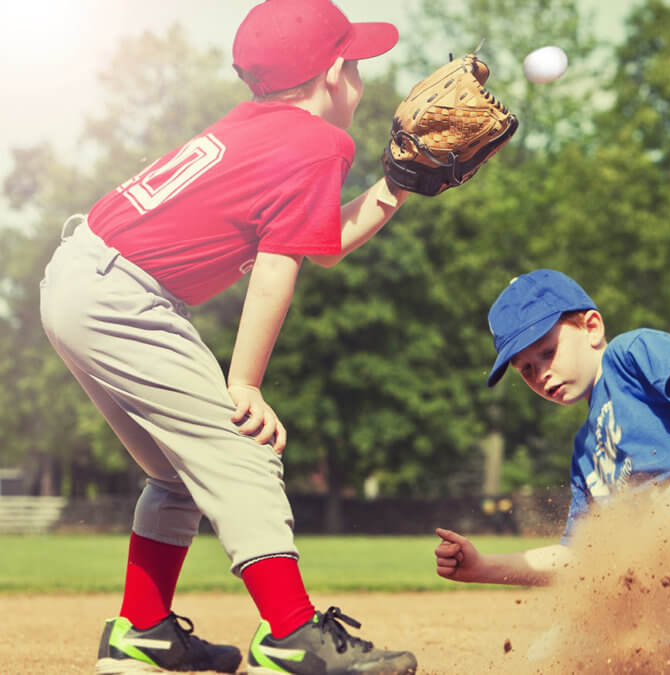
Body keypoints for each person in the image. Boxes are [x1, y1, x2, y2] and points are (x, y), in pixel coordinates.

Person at [39, 1, 418, 673]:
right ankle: (290, 633)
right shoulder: (320, 142)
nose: (359, 79)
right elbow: (280, 265)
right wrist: (243, 382)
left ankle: (144, 630)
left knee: (174, 473)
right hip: (125, 296)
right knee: (242, 447)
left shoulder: (257, 126)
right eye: (355, 64)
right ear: (334, 74)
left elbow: (319, 243)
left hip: (80, 279)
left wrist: (396, 186)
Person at [434, 268, 670, 587]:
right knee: (573, 640)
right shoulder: (585, 455)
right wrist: (482, 567)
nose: (540, 373)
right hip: (662, 549)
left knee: (656, 543)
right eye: (525, 369)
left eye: (546, 352)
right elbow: (580, 558)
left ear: (592, 327)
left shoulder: (628, 355)